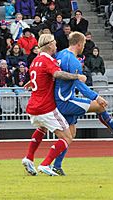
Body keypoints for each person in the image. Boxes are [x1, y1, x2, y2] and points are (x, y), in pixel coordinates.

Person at [52, 32, 113, 176]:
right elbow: (79, 85)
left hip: (59, 99)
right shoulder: (73, 60)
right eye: (83, 44)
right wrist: (96, 96)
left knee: (69, 135)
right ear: (80, 44)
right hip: (66, 100)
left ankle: (56, 165)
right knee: (99, 106)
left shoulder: (61, 54)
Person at [21, 34, 87, 176]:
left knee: (42, 128)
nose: (56, 46)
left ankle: (29, 157)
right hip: (46, 106)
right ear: (50, 45)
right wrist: (77, 76)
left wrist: (30, 82)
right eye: (55, 43)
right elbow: (57, 74)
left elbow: (39, 77)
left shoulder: (35, 60)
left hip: (33, 106)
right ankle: (46, 164)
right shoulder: (47, 60)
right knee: (67, 137)